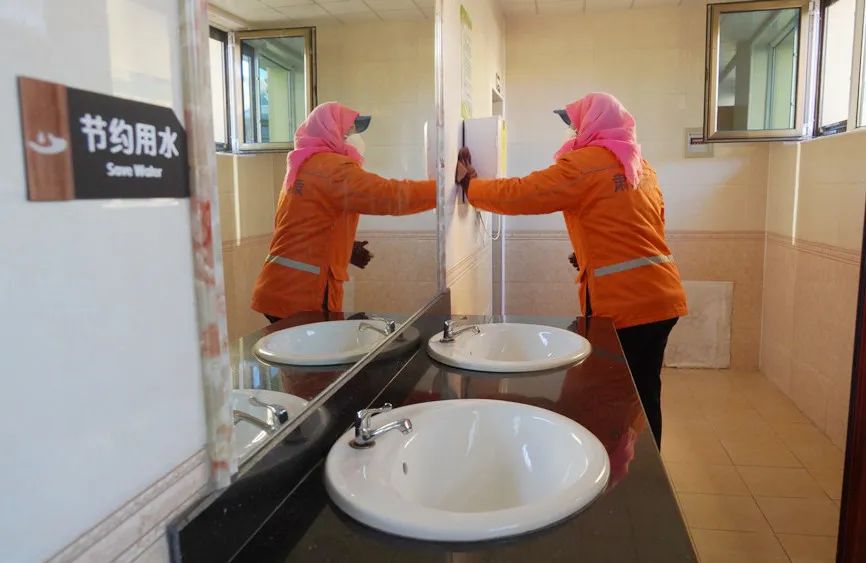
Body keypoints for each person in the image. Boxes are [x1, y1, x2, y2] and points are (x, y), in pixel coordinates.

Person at [455, 92, 687, 447]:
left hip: (627, 304)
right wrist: (593, 254)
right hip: (663, 297)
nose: (573, 132)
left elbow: (523, 194)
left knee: (618, 393)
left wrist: (471, 186)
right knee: (644, 389)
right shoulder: (640, 165)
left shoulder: (584, 165)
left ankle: (622, 461)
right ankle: (639, 459)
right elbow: (648, 225)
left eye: (576, 125)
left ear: (591, 125)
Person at [252, 102, 436, 323]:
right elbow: (389, 196)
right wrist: (441, 189)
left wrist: (344, 249)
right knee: (320, 345)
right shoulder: (333, 170)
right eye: (348, 133)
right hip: (302, 293)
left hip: (281, 288)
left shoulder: (303, 165)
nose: (355, 139)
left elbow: (306, 226)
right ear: (329, 133)